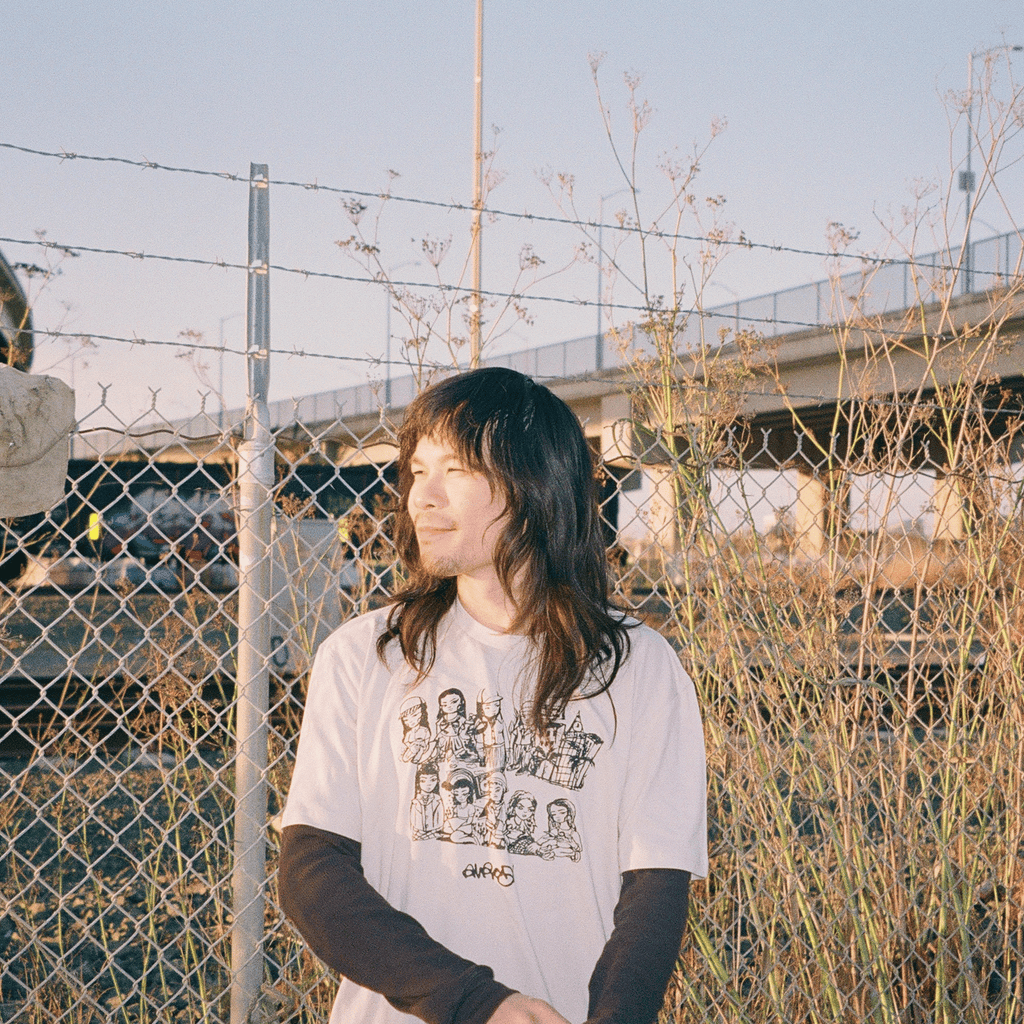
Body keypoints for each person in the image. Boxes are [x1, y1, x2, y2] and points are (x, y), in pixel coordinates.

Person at [279, 367, 708, 1024]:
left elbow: (654, 886)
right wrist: (475, 1003)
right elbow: (312, 875)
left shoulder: (639, 668)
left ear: (532, 485)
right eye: (417, 471)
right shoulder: (366, 655)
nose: (421, 496)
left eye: (453, 470)